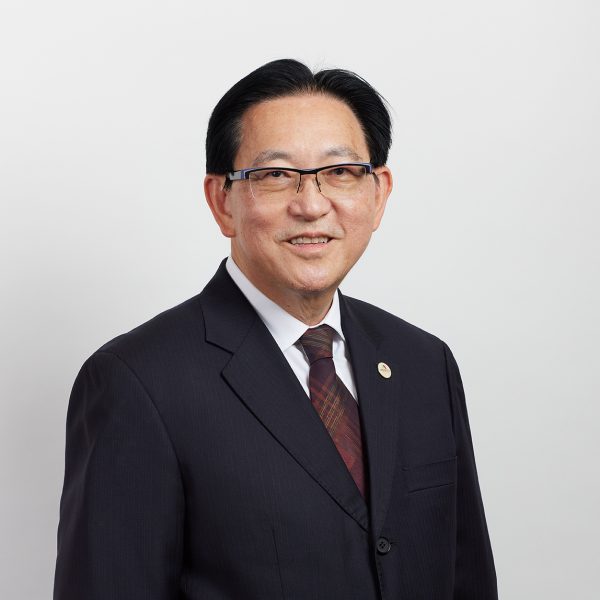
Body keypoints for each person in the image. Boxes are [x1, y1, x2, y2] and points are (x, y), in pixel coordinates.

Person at [53, 59, 497, 599]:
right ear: (222, 201)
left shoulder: (424, 362)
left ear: (379, 193)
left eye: (340, 172)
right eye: (275, 175)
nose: (311, 205)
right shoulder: (137, 382)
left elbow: (467, 578)